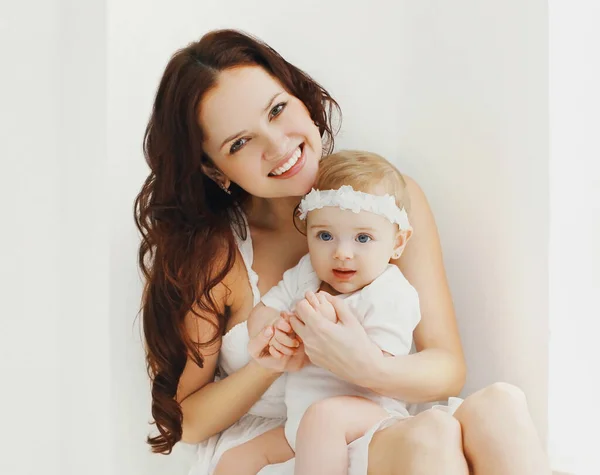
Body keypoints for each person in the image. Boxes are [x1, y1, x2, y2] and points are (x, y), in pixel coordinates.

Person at [134, 29, 551, 475]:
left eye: (277, 110)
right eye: (240, 143)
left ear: (299, 97)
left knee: (500, 406)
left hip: (378, 426)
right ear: (215, 169)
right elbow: (189, 421)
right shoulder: (216, 256)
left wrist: (367, 366)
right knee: (431, 437)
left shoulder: (386, 204)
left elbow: (448, 367)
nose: (277, 146)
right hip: (281, 448)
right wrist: (271, 362)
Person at [213, 150, 423, 475]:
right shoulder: (307, 273)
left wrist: (327, 332)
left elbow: (384, 372)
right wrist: (277, 331)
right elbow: (263, 313)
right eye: (325, 236)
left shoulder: (390, 293)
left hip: (367, 420)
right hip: (298, 425)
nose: (341, 252)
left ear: (397, 242)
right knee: (232, 462)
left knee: (324, 429)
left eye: (363, 238)